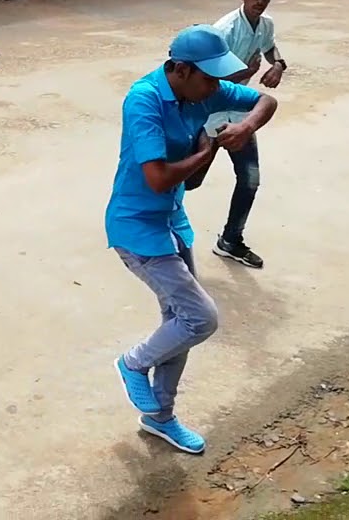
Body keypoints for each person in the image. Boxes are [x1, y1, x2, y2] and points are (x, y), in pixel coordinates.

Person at [110, 24, 277, 453]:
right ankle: (133, 363)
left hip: (172, 223)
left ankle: (160, 417)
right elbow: (158, 176)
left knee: (179, 321)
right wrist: (207, 151)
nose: (217, 86)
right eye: (208, 77)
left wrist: (246, 128)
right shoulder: (144, 99)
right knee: (201, 318)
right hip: (137, 228)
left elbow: (265, 99)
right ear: (180, 70)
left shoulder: (202, 90)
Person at [205, 0, 287, 269]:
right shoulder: (224, 30)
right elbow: (206, 77)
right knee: (189, 178)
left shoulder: (265, 25)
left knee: (249, 178)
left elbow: (270, 47)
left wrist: (278, 64)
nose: (259, 0)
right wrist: (246, 72)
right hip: (209, 110)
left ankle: (231, 239)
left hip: (239, 112)